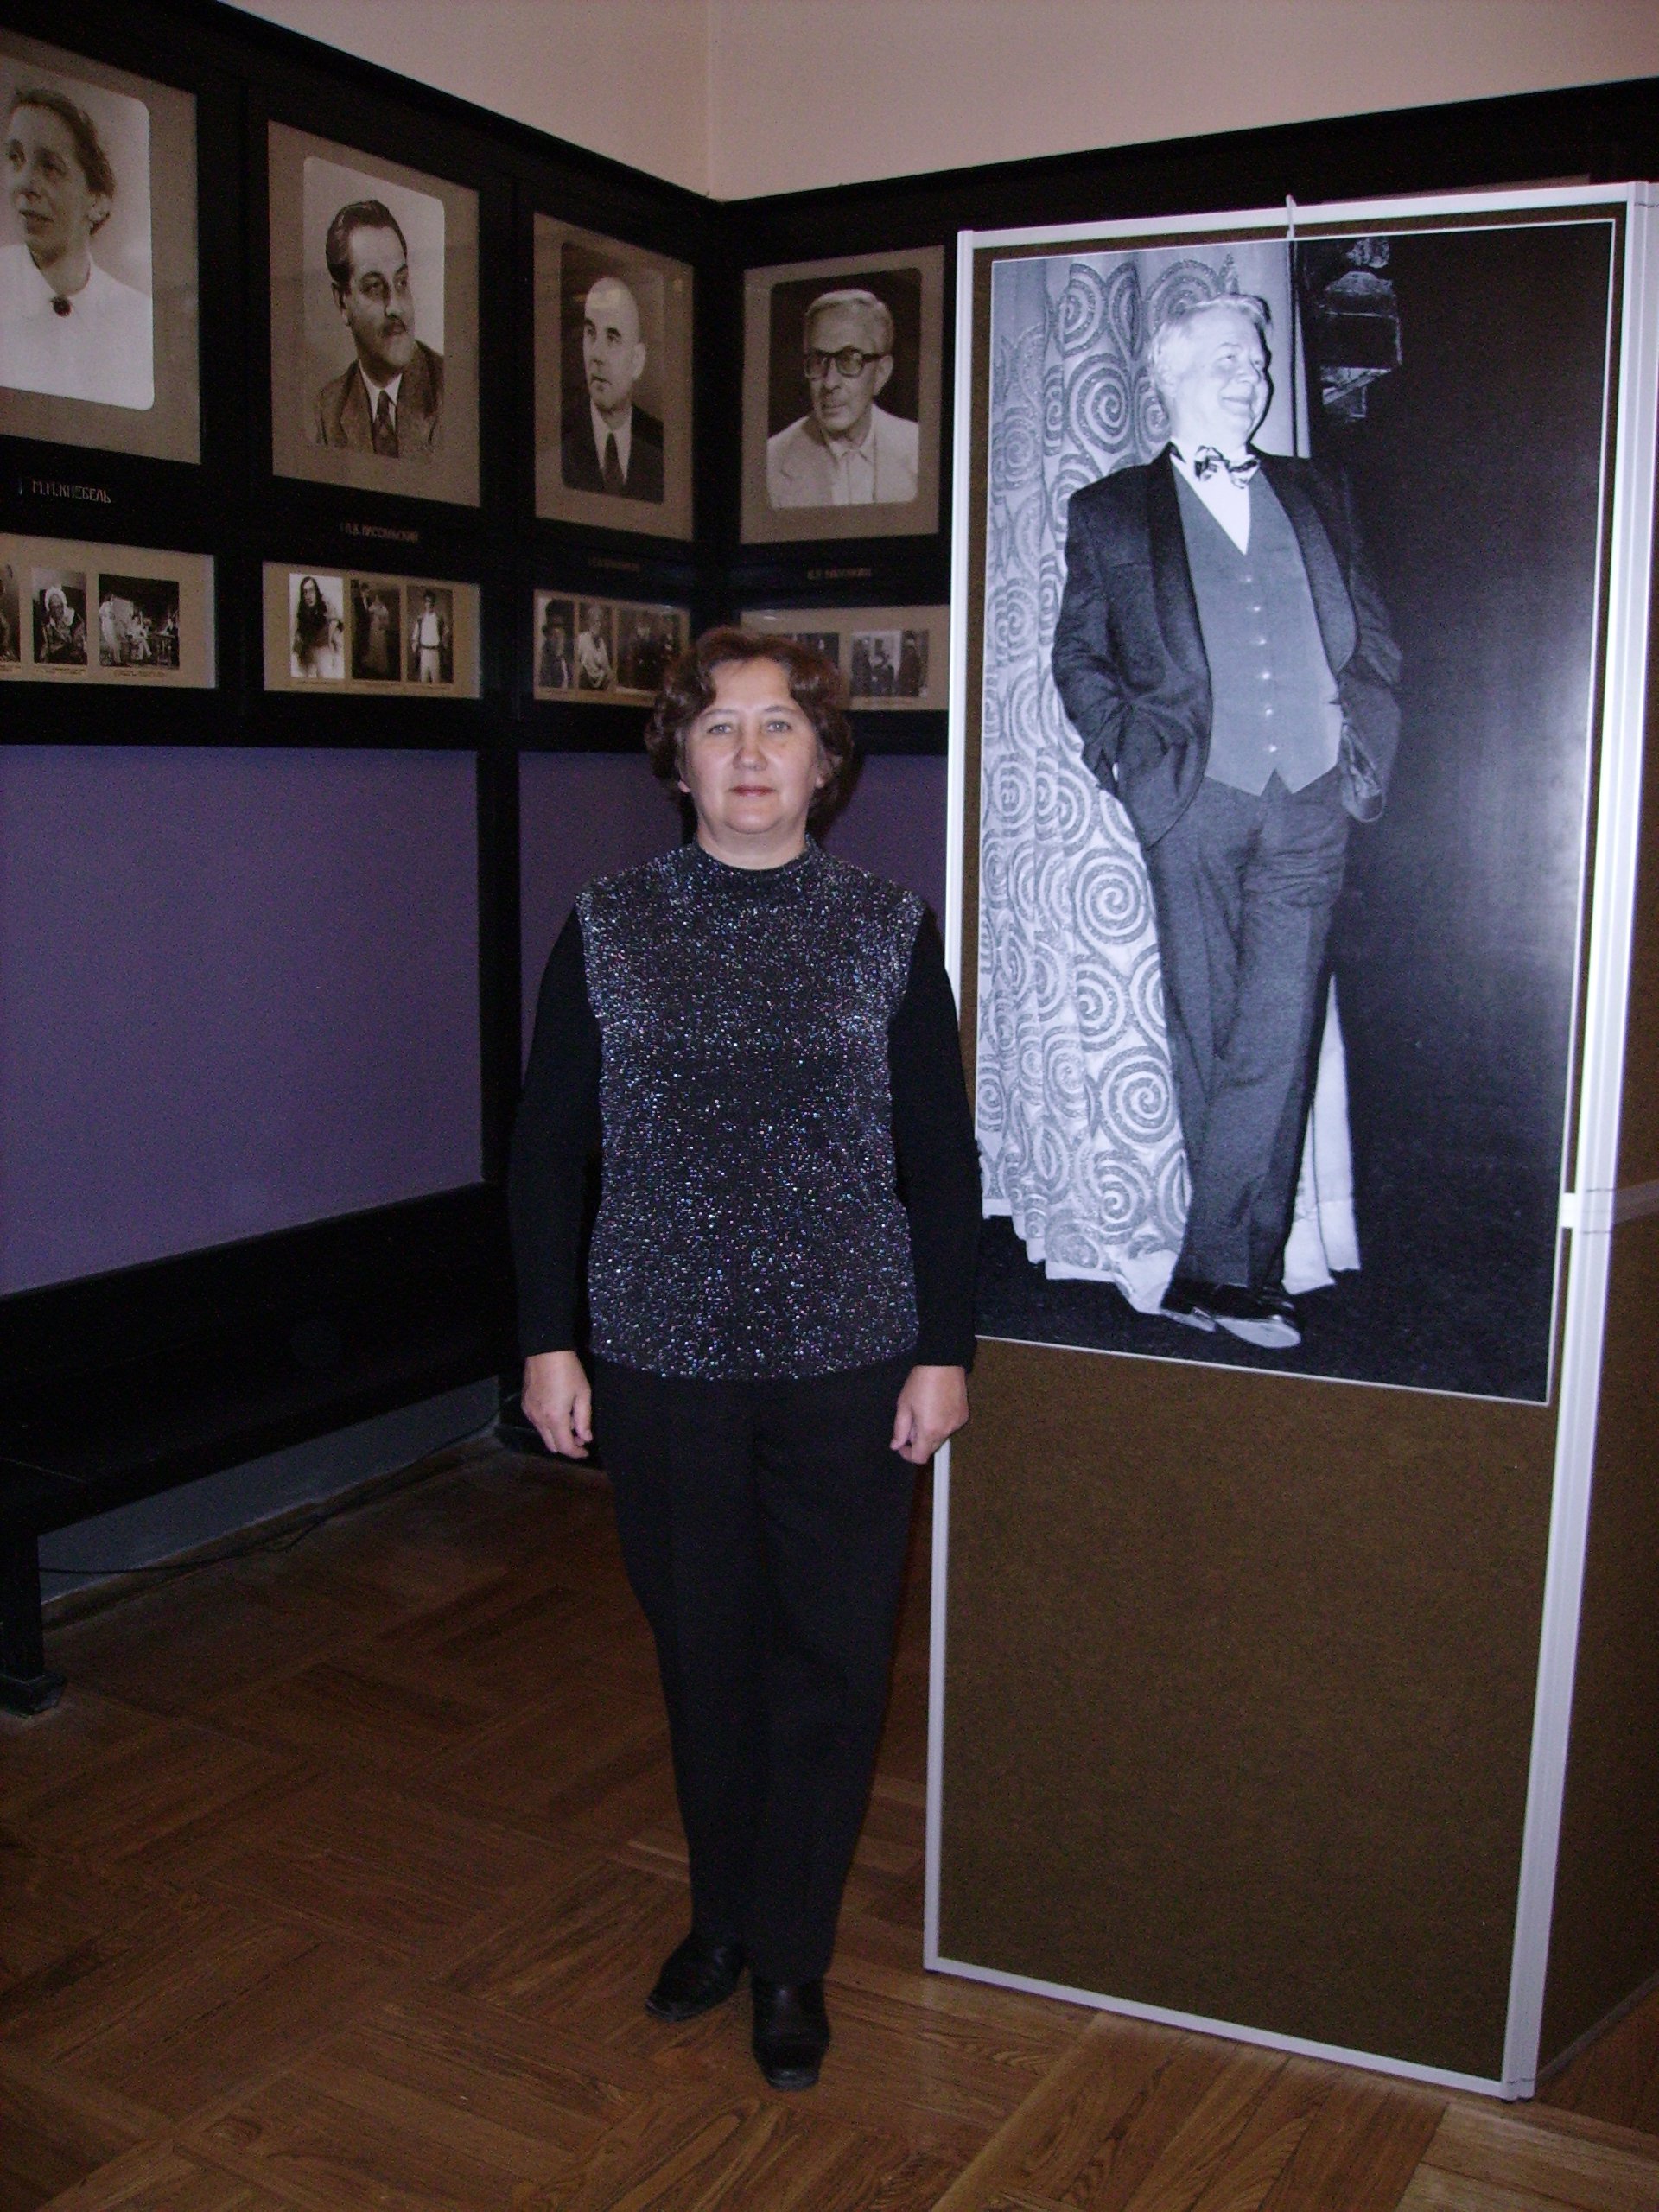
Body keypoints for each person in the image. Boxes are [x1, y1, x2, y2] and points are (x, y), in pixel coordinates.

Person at [509, 628, 980, 2091]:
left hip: (851, 1354)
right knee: (704, 1656)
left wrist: (945, 1350)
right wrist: (547, 1342)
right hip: (662, 1354)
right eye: (721, 727)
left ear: (826, 763)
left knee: (829, 1665)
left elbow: (941, 1160)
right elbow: (547, 1152)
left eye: (782, 727)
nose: (753, 753)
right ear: (680, 759)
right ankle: (719, 1917)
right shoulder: (609, 926)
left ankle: (791, 1957)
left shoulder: (887, 929)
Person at [1052, 294, 1400, 1350]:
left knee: (1278, 1031)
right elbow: (1080, 657)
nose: (1253, 379)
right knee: (1207, 1031)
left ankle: (1217, 1275)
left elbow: (1373, 637)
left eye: (1258, 363)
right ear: (1169, 375)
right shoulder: (1111, 511)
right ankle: (1237, 1275)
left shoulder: (1319, 490)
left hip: (1312, 797)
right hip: (1193, 797)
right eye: (1228, 362)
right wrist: (1132, 756)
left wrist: (1364, 745)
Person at [0, 86, 153, 410]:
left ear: (96, 202)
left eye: (50, 167)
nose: (24, 184)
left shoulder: (138, 318)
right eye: (15, 158)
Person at [312, 199, 443, 459]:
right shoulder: (328, 409)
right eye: (374, 287)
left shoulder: (450, 389)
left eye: (401, 282)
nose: (395, 307)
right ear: (342, 303)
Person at [766, 289, 918, 508]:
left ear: (881, 374)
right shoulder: (768, 464)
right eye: (818, 361)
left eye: (849, 360)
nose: (829, 383)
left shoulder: (921, 451)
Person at [561, 273, 664, 501]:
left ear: (637, 362)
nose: (597, 355)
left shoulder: (663, 448)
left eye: (612, 338)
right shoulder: (558, 441)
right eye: (591, 333)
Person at [291, 575, 339, 679]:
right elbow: (297, 645)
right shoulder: (302, 615)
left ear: (316, 592)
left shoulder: (327, 610)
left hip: (325, 656)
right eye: (305, 592)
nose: (309, 596)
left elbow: (335, 624)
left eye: (311, 591)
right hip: (308, 660)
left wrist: (330, 641)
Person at [35, 582, 84, 663]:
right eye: (53, 607)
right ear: (49, 609)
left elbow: (79, 642)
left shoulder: (74, 618)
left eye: (59, 607)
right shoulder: (47, 624)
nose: (56, 611)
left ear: (63, 606)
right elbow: (47, 646)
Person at [411, 588, 447, 683]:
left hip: (435, 653)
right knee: (424, 681)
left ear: (434, 603)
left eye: (431, 602)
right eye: (427, 601)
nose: (429, 604)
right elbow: (415, 637)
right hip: (424, 653)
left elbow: (445, 635)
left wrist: (443, 647)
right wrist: (416, 651)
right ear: (424, 603)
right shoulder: (420, 619)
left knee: (437, 681)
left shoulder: (439, 619)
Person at [575, 604, 612, 691]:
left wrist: (610, 673)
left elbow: (606, 665)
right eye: (596, 622)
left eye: (600, 622)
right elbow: (576, 660)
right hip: (585, 677)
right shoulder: (582, 638)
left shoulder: (601, 642)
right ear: (590, 622)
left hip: (599, 678)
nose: (598, 625)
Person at [537, 607, 571, 690]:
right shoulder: (540, 660)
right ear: (548, 635)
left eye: (560, 628)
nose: (557, 634)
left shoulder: (567, 662)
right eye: (553, 628)